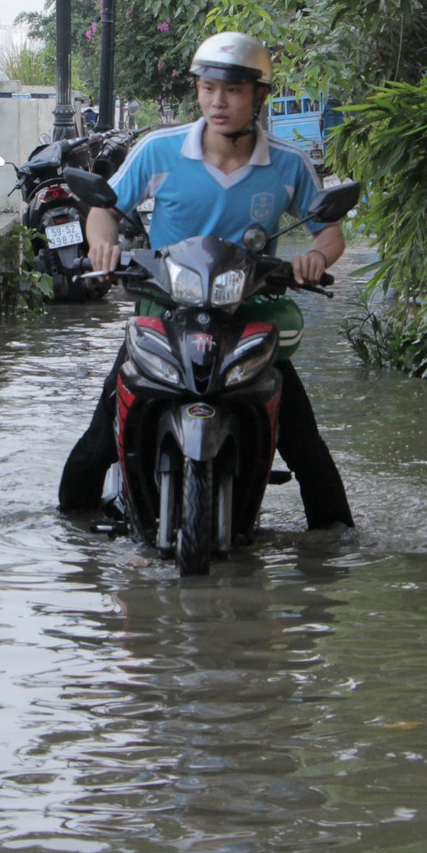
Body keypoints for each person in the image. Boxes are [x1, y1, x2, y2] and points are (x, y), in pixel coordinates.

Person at [57, 31, 355, 530]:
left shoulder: (289, 164)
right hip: (164, 310)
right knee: (101, 438)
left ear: (259, 96)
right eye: (208, 88)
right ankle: (71, 534)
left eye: (233, 91)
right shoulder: (158, 151)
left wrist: (315, 260)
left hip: (249, 316)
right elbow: (104, 208)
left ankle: (336, 549)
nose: (218, 102)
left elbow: (330, 233)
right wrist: (101, 244)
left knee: (304, 444)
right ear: (196, 90)